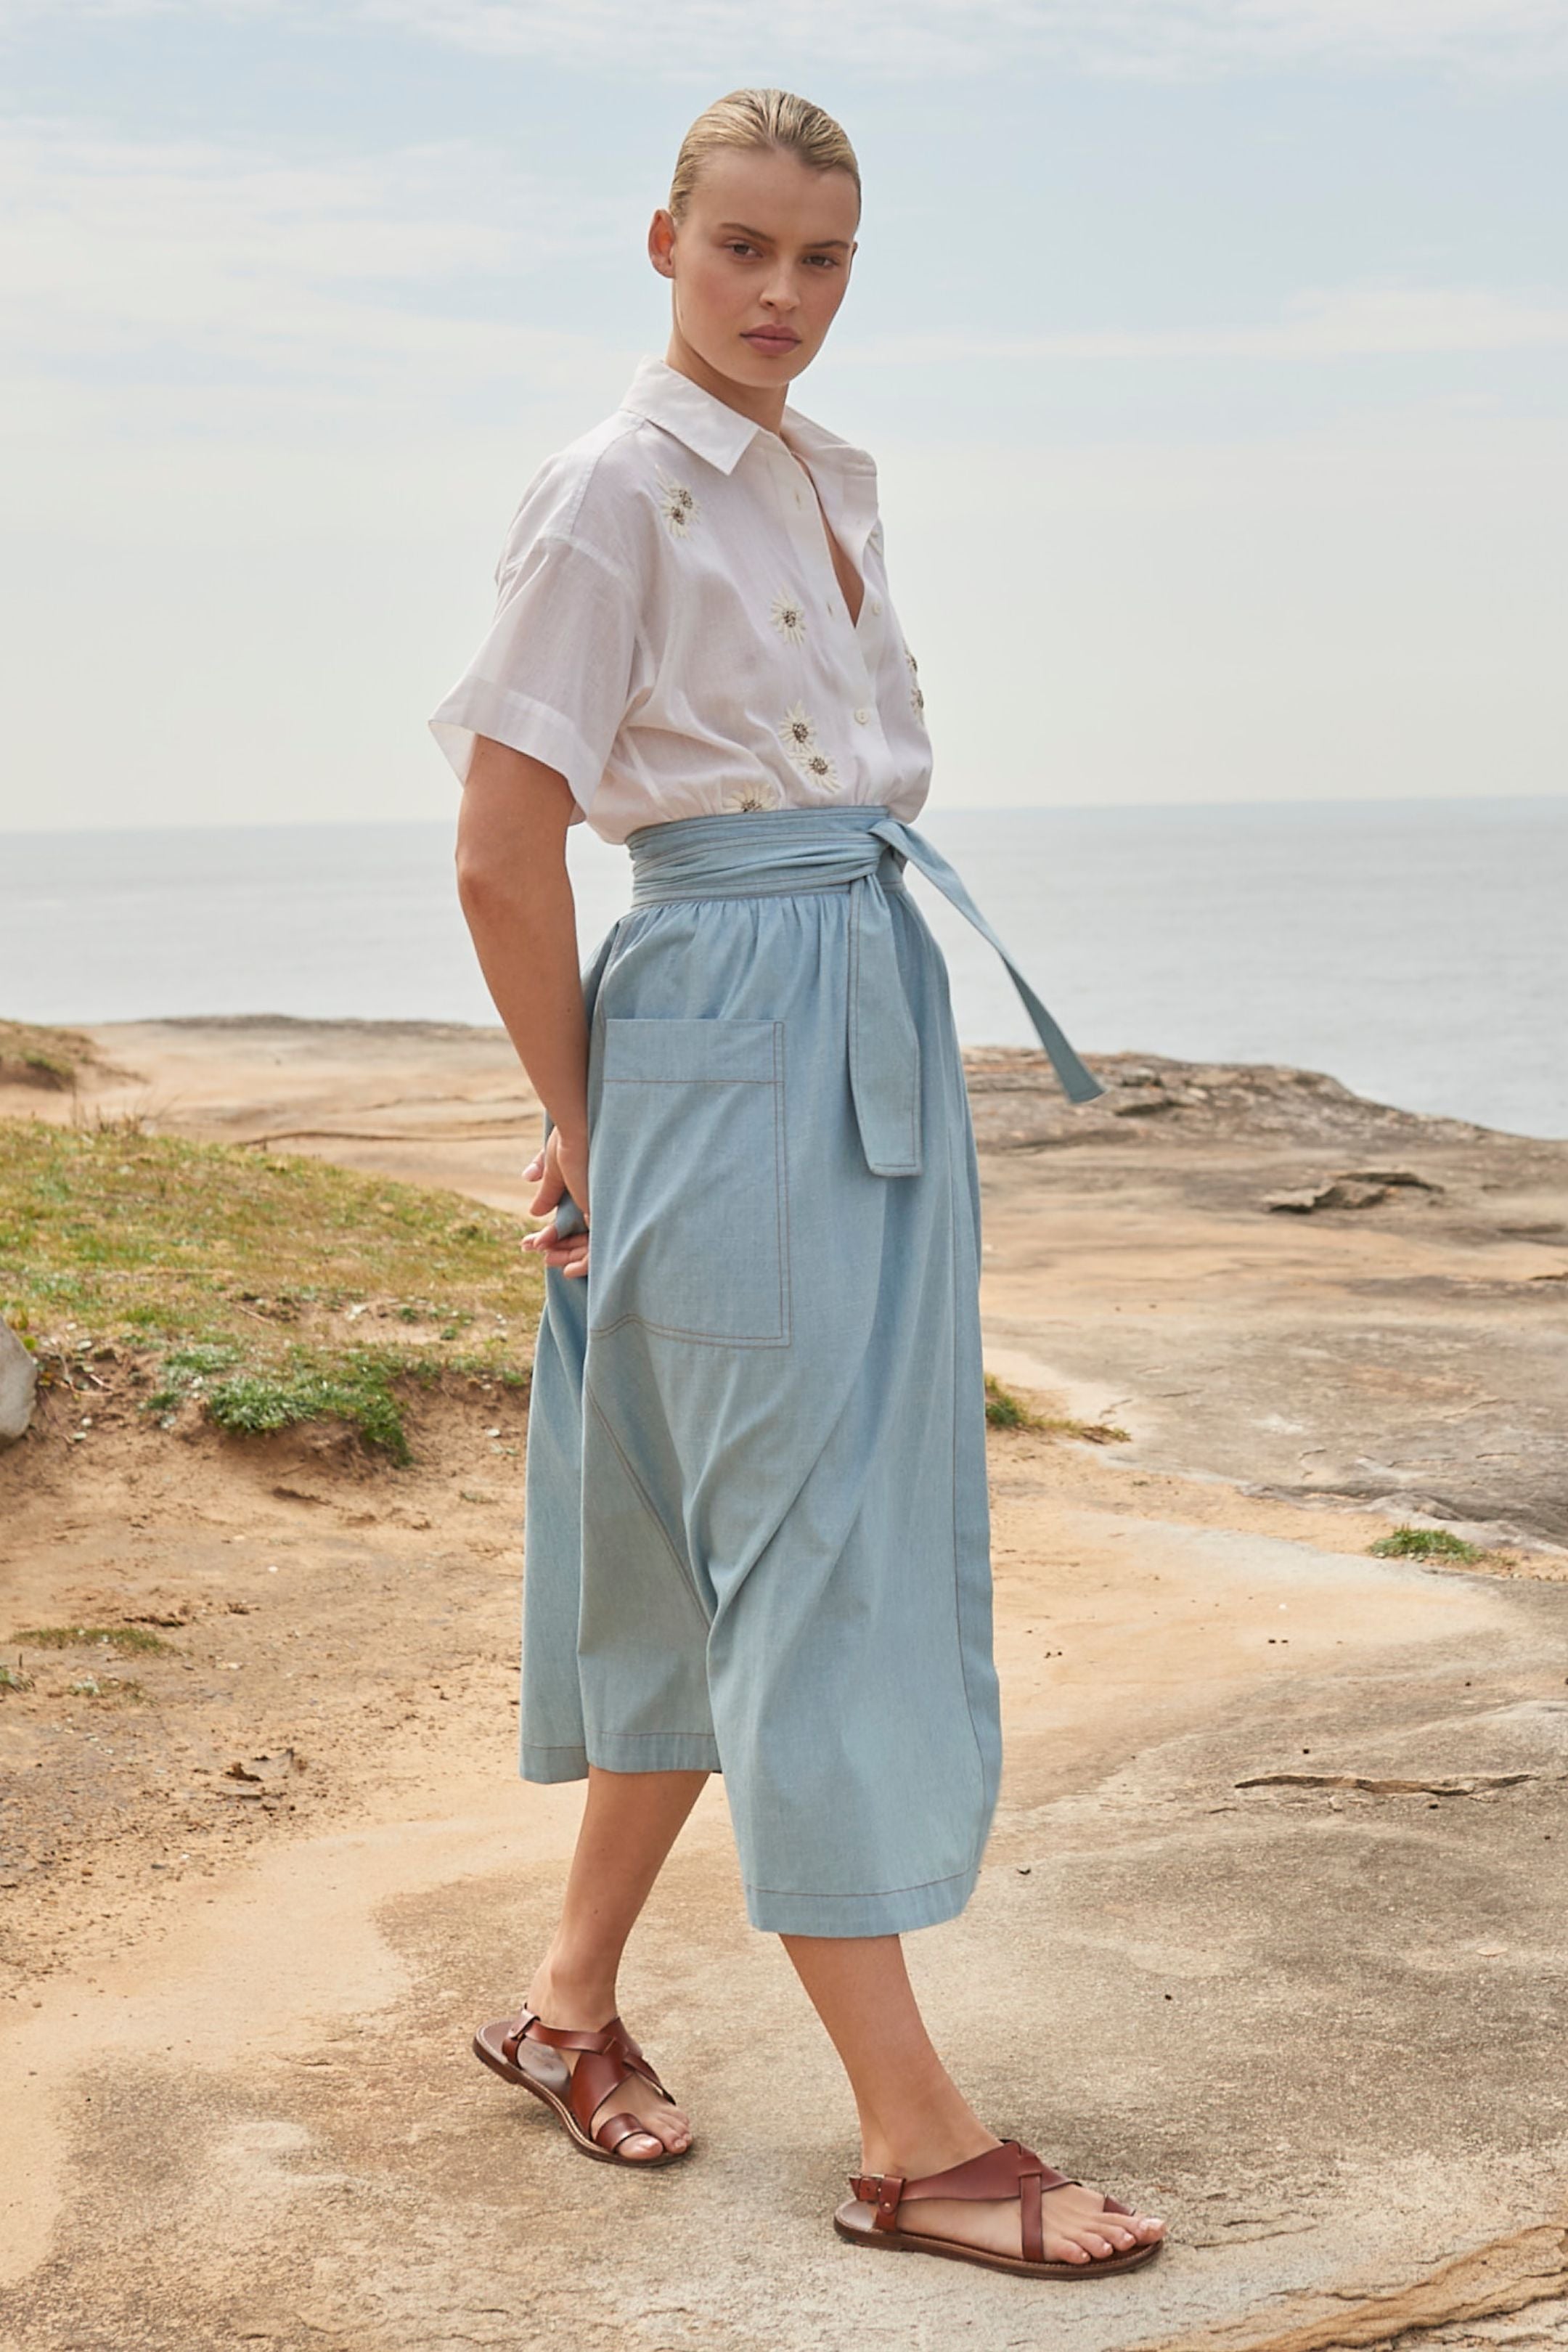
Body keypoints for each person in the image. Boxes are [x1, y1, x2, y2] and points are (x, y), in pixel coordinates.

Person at [431, 86, 1166, 2282]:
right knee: (808, 1557)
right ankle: (913, 2140)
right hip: (729, 1016)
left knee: (717, 1538)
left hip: (855, 999)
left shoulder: (830, 478)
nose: (782, 294)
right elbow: (499, 850)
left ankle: (565, 2012)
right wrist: (592, 1121)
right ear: (662, 242)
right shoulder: (610, 492)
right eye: (743, 247)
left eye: (823, 257)